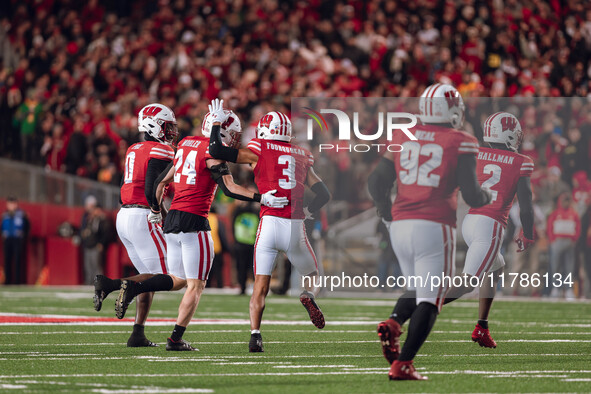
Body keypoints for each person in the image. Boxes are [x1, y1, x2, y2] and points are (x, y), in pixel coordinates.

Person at [113, 101, 288, 351]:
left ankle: (133, 286)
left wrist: (155, 209)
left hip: (172, 218)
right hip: (195, 219)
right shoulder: (212, 151)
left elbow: (161, 182)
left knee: (178, 279)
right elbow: (230, 188)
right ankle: (175, 338)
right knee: (196, 285)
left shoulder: (184, 144)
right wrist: (262, 198)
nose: (235, 138)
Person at [368, 83, 492, 380]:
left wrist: (387, 212)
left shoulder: (402, 134)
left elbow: (375, 182)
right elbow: (473, 196)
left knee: (418, 289)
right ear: (450, 110)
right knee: (431, 298)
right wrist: (487, 196)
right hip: (434, 225)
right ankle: (404, 363)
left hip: (400, 226)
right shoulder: (461, 140)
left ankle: (395, 321)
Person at [208, 100, 332, 353]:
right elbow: (324, 193)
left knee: (260, 286)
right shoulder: (302, 154)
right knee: (312, 276)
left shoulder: (259, 147)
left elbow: (216, 149)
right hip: (295, 226)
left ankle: (255, 335)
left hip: (269, 223)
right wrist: (309, 211)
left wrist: (217, 123)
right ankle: (307, 296)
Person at [442, 112, 535, 348]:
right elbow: (526, 204)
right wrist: (528, 232)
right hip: (490, 224)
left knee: (496, 268)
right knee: (468, 283)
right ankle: (413, 309)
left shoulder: (476, 152)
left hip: (470, 221)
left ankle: (481, 327)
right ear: (508, 135)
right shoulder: (521, 161)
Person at [92, 103, 177, 347]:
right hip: (143, 215)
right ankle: (110, 284)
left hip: (125, 214)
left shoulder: (133, 148)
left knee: (145, 280)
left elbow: (123, 186)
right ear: (156, 125)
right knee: (169, 275)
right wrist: (157, 211)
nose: (171, 131)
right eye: (167, 126)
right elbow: (153, 186)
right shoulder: (161, 150)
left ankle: (137, 333)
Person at [547, 192, 580, 299]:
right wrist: (552, 240)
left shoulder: (573, 214)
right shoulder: (555, 213)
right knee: (556, 266)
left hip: (569, 242)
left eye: (567, 200)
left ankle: (568, 289)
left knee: (569, 267)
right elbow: (549, 227)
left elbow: (578, 227)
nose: (566, 203)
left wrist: (574, 239)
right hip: (558, 241)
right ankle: (556, 288)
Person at [80, 195, 113, 285]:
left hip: (96, 245)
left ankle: (98, 283)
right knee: (88, 266)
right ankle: (89, 282)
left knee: (96, 265)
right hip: (88, 244)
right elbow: (86, 230)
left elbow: (105, 233)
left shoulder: (102, 220)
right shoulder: (89, 219)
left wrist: (101, 243)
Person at [232, 199, 260, 295]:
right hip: (252, 242)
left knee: (241, 268)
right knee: (254, 268)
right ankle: (256, 289)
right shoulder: (256, 212)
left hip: (241, 242)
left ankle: (243, 288)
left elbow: (233, 225)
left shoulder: (239, 212)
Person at [1, 197, 29, 284]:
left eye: (13, 204)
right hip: (7, 240)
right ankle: (7, 281)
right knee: (7, 260)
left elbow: (27, 227)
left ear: (16, 204)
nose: (11, 206)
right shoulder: (5, 215)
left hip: (17, 240)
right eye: (10, 204)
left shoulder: (22, 214)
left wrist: (23, 236)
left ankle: (17, 281)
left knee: (17, 260)